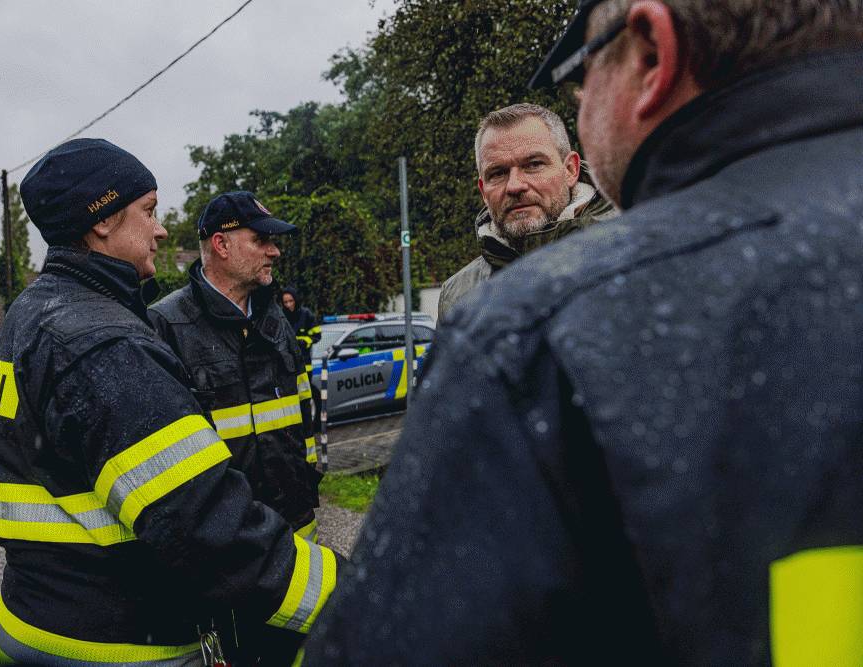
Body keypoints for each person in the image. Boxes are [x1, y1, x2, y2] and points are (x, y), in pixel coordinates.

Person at [302, 0, 863, 664]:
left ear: (652, 53)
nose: (514, 185)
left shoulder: (544, 313)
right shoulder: (462, 295)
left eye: (579, 74)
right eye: (496, 174)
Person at [0, 140, 337, 666]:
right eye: (148, 211)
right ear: (102, 220)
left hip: (33, 624)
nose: (161, 229)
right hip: (116, 646)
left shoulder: (31, 317)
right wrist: (359, 597)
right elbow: (208, 530)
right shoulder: (105, 343)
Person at [147, 192, 323, 661]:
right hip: (224, 553)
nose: (275, 251)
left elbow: (305, 410)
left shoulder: (274, 316)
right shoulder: (164, 326)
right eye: (262, 240)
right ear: (221, 246)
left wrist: (312, 480)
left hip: (294, 534)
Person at [437, 102, 613, 319]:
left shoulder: (635, 254)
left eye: (533, 165)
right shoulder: (457, 295)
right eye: (498, 173)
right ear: (483, 191)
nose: (514, 185)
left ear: (570, 170)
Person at [280, 286, 320, 372]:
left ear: (296, 300)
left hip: (304, 364)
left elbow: (317, 336)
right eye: (285, 302)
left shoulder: (306, 315)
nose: (288, 305)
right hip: (286, 366)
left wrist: (304, 341)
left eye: (291, 301)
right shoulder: (280, 316)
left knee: (305, 385)